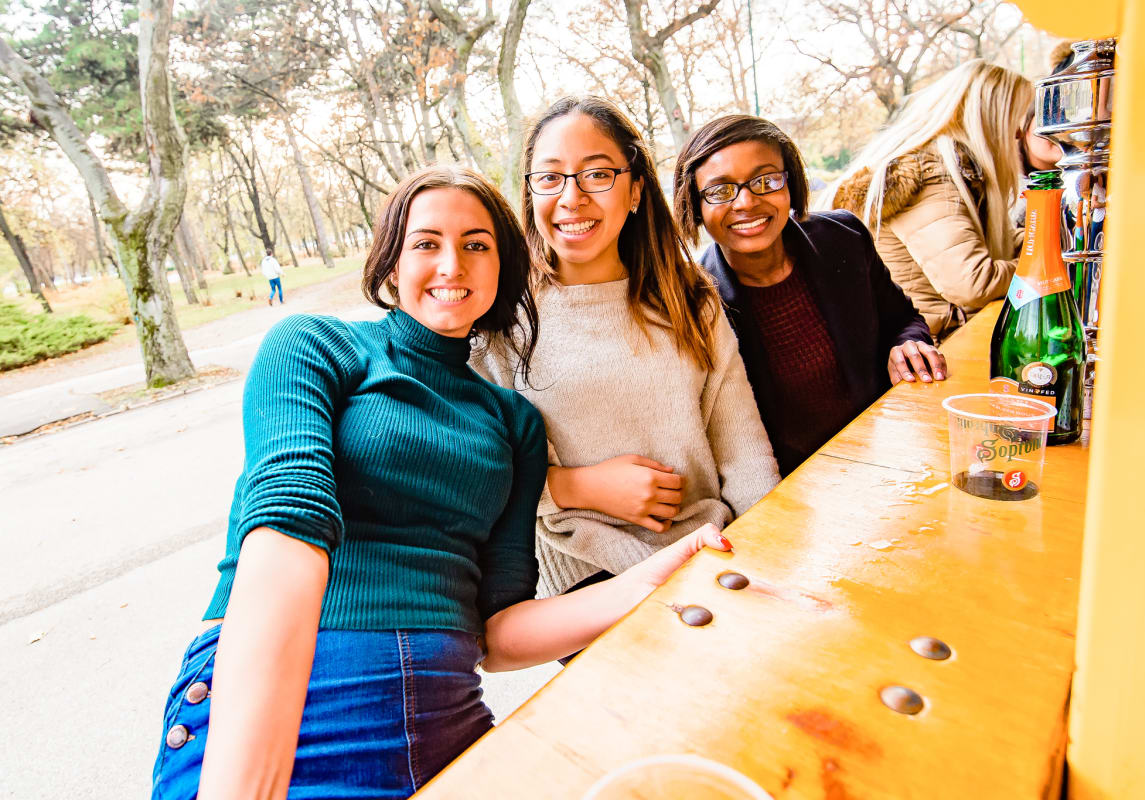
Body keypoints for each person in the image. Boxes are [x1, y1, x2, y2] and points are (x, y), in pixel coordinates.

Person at [150, 166, 733, 800]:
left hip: (447, 718)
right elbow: (287, 531)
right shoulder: (316, 345)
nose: (452, 263)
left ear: (503, 269)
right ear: (391, 263)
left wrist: (652, 579)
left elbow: (501, 635)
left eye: (476, 244)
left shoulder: (514, 423)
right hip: (294, 698)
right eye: (426, 242)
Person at [472, 96, 779, 602]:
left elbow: (743, 455)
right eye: (550, 177)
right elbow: (478, 479)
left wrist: (768, 553)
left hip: (708, 553)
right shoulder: (500, 320)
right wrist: (577, 487)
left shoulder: (691, 301)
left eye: (596, 175)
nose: (570, 198)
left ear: (635, 189)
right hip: (583, 581)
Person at [673, 114, 945, 476]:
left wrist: (908, 344)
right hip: (792, 488)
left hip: (888, 451)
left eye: (765, 180)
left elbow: (903, 319)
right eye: (720, 190)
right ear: (695, 205)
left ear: (791, 183)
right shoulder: (692, 297)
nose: (746, 202)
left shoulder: (842, 237)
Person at [825, 60, 1033, 340]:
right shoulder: (932, 175)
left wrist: (1034, 242)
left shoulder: (954, 171)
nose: (1018, 135)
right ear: (989, 121)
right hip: (935, 347)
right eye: (1015, 122)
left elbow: (976, 241)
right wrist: (1039, 263)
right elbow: (973, 283)